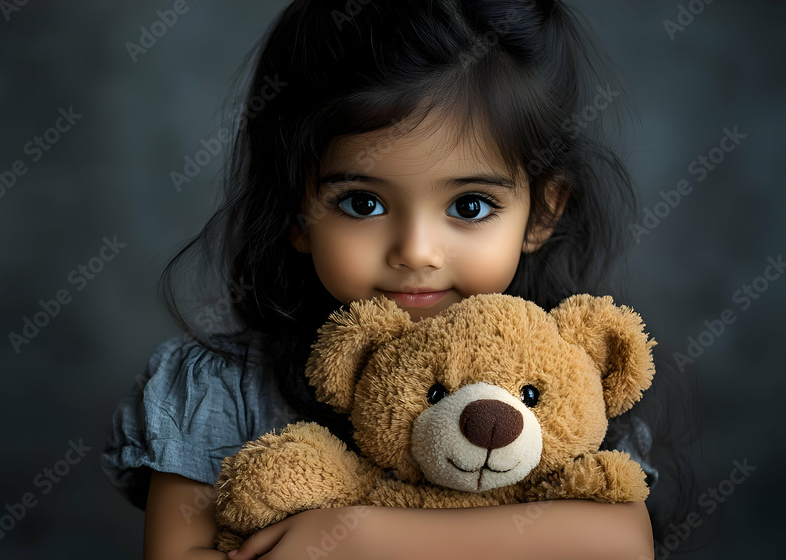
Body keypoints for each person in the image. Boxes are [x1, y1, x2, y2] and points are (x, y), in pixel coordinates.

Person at [102, 1, 695, 558]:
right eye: (362, 203)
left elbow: (621, 541)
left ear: (541, 213)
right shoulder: (219, 391)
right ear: (295, 213)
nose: (416, 252)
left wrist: (356, 536)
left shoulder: (562, 382)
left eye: (469, 206)